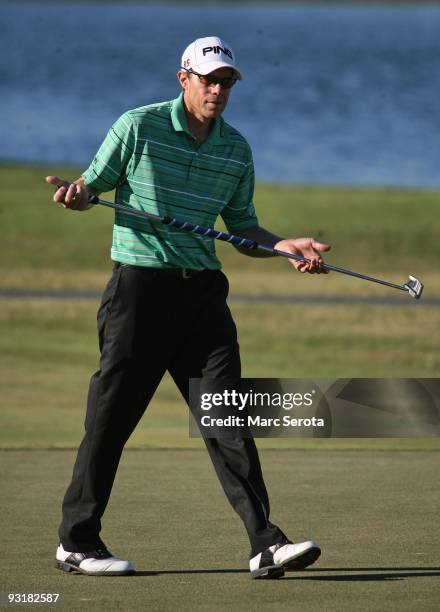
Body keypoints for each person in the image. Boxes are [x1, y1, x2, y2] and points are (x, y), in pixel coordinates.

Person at [46, 36, 330, 580]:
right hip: (138, 293)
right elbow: (91, 186)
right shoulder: (138, 126)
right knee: (110, 419)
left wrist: (283, 247)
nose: (218, 90)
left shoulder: (235, 149)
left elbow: (242, 228)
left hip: (202, 297)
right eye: (209, 80)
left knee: (228, 415)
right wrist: (77, 195)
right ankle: (76, 543)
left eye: (226, 82)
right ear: (184, 79)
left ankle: (264, 543)